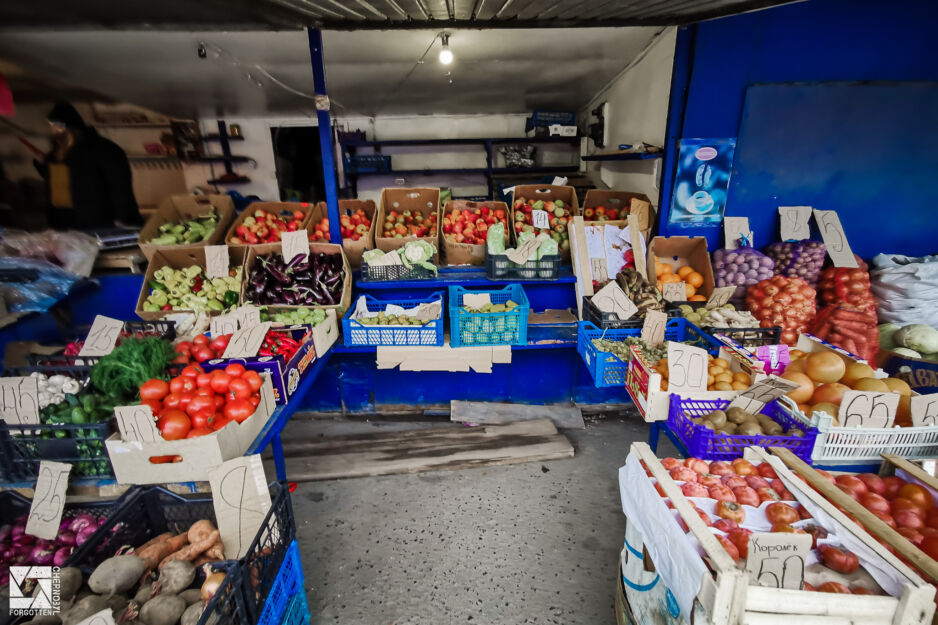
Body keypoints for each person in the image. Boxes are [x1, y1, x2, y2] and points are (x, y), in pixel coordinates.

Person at [34, 101, 141, 229]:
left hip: (101, 224)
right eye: (52, 126)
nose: (54, 131)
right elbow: (59, 192)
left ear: (71, 128)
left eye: (58, 126)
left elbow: (120, 188)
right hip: (69, 227)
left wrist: (126, 221)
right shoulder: (56, 156)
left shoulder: (104, 150)